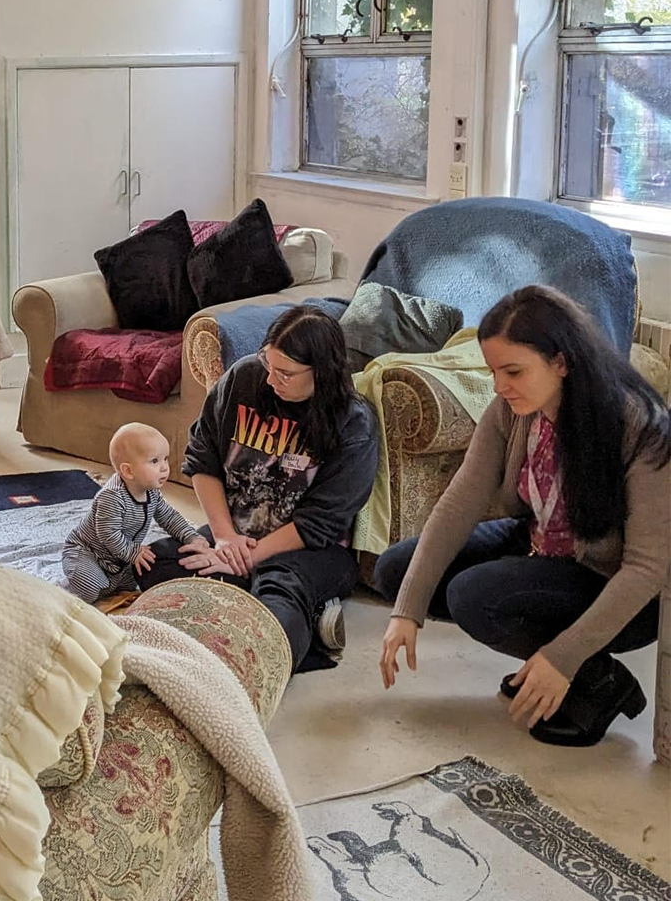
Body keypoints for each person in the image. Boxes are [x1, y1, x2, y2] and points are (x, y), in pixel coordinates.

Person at [376, 285, 670, 747]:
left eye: (513, 371)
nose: (499, 386)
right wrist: (406, 611)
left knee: (474, 597)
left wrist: (565, 656)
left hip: (618, 585)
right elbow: (458, 505)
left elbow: (646, 569)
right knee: (397, 569)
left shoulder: (641, 425)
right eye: (494, 371)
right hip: (544, 545)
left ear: (562, 362)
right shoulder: (511, 411)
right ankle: (561, 664)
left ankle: (595, 678)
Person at [139, 305, 379, 673]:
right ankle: (303, 617)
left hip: (310, 549)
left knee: (277, 588)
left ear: (323, 373)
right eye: (269, 363)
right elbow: (202, 459)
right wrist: (223, 540)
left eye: (285, 374)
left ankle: (282, 632)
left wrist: (246, 558)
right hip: (236, 534)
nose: (271, 380)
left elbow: (319, 524)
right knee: (153, 562)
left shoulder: (352, 422)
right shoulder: (245, 378)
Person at [63, 422, 203, 603]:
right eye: (154, 461)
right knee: (89, 587)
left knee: (144, 576)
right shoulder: (112, 497)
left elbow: (169, 517)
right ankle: (65, 590)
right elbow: (108, 534)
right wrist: (133, 552)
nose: (164, 467)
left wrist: (191, 537)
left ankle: (111, 587)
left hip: (118, 560)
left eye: (165, 459)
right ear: (128, 471)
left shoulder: (151, 491)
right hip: (88, 553)